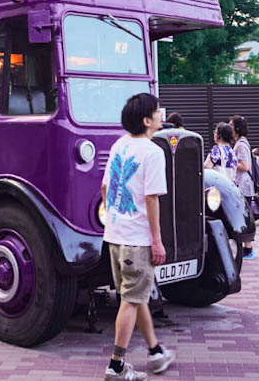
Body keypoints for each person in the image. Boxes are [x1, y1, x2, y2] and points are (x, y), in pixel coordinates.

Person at [101, 93, 175, 380]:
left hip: (115, 237)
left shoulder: (119, 145)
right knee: (131, 300)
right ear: (147, 120)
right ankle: (116, 366)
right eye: (157, 111)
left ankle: (155, 352)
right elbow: (152, 199)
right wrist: (157, 241)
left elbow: (105, 188)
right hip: (137, 239)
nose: (161, 114)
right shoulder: (153, 152)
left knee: (135, 295)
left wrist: (116, 216)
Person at [229, 115, 255, 259]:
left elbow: (245, 166)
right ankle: (247, 248)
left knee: (244, 217)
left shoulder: (241, 144)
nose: (229, 128)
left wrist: (229, 162)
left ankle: (248, 249)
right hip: (242, 185)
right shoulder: (240, 143)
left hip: (243, 185)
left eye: (231, 125)